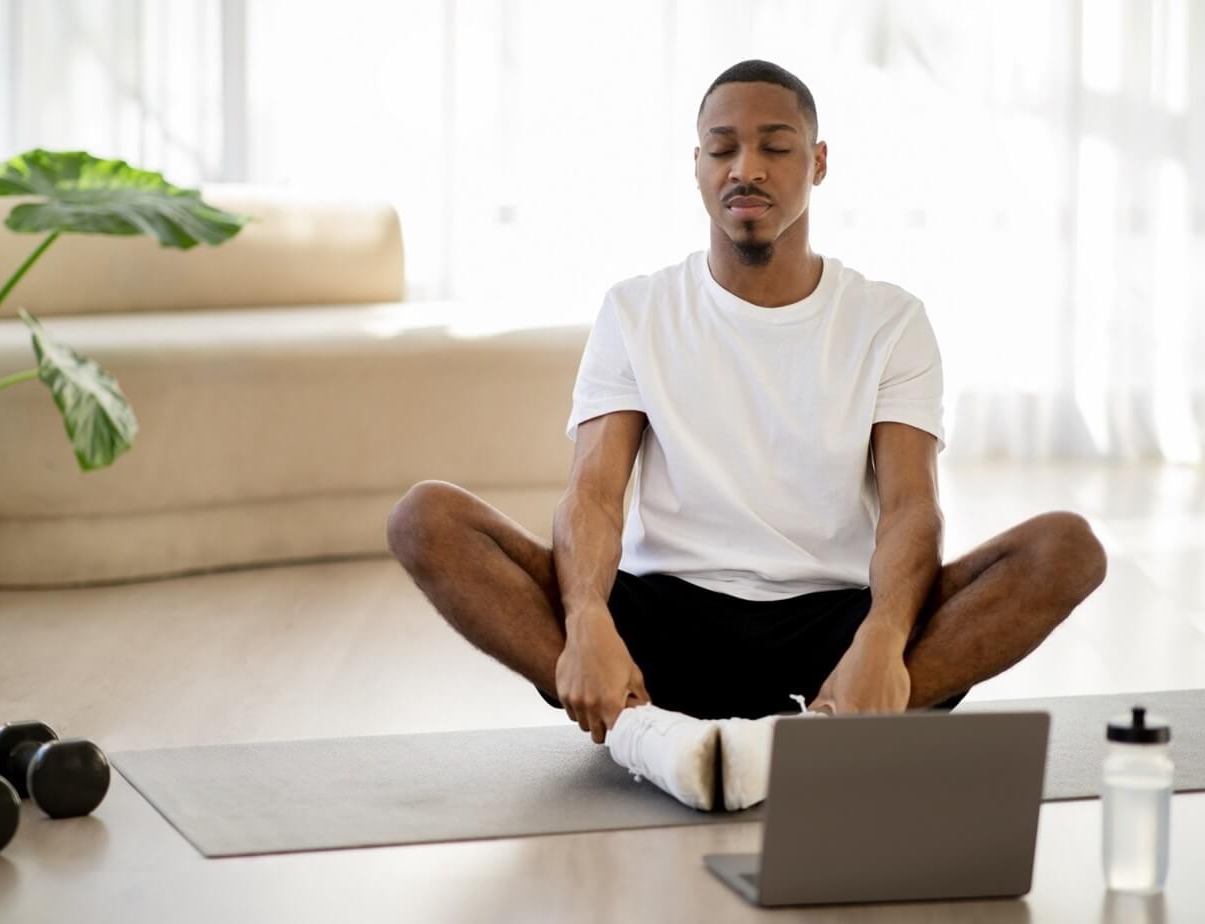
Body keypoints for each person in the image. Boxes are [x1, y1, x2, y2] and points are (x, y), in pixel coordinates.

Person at [386, 59, 1107, 750]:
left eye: (776, 147)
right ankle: (645, 728)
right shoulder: (637, 309)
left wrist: (883, 637)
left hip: (834, 628)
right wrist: (586, 620)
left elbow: (911, 508)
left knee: (1066, 549)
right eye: (721, 148)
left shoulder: (890, 318)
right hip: (661, 626)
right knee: (426, 519)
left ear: (818, 163)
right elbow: (595, 495)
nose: (745, 168)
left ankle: (829, 721)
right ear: (696, 166)